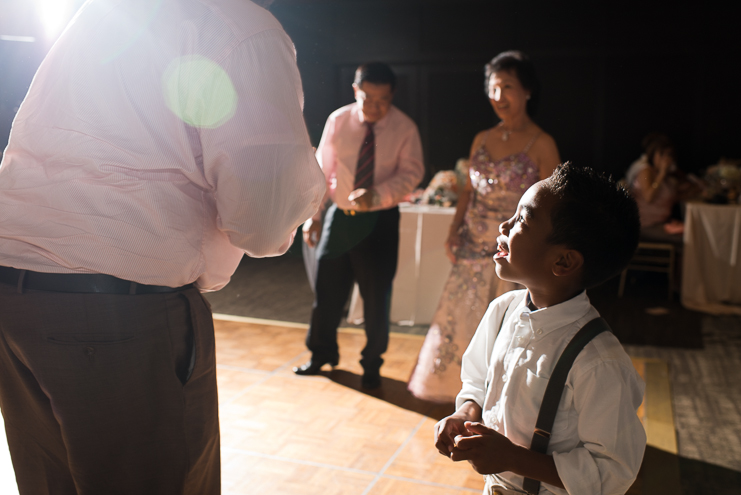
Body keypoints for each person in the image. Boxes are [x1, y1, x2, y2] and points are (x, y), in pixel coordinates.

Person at [0, 1, 325, 493]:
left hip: (12, 291)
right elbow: (265, 212)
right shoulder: (240, 27)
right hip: (118, 315)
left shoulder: (105, 12)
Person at [434, 163, 646, 495]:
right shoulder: (502, 310)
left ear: (563, 262)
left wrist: (512, 458)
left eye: (523, 219)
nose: (505, 224)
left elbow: (612, 470)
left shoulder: (598, 361)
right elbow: (477, 379)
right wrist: (467, 411)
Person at [408, 51, 560, 402]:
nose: (498, 96)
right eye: (493, 88)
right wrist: (453, 230)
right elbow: (467, 192)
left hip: (515, 251)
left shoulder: (543, 144)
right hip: (472, 244)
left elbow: (552, 206)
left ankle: (499, 397)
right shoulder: (481, 138)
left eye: (507, 87)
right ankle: (456, 389)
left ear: (527, 91)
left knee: (506, 325)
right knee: (460, 317)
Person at [294, 62, 424, 389]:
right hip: (339, 217)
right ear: (355, 91)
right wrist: (314, 216)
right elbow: (322, 171)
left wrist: (378, 194)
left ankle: (372, 365)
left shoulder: (405, 127)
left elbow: (412, 173)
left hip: (380, 220)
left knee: (376, 297)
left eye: (382, 100)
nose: (374, 106)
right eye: (367, 98)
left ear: (392, 95)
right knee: (326, 294)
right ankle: (321, 354)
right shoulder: (339, 120)